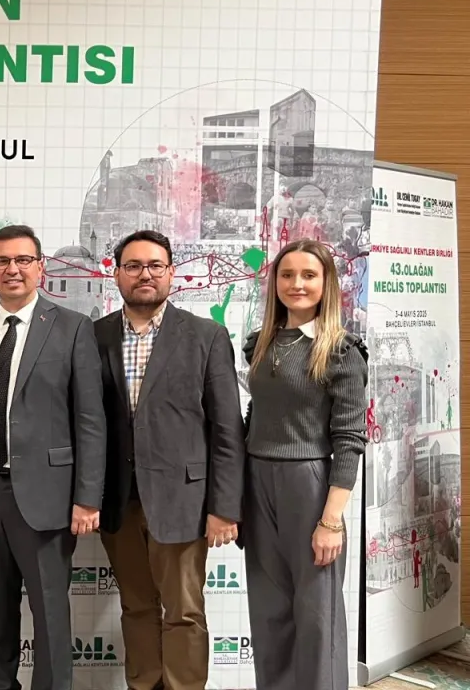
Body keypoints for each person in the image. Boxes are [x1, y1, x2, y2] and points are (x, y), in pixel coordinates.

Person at [0, 224, 105, 690]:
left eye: (22, 260)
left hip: (48, 496)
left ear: (40, 267)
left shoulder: (72, 327)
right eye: (1, 261)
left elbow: (90, 418)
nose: (12, 269)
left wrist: (87, 497)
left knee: (50, 615)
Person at [94, 230, 246, 690]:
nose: (145, 274)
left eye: (155, 266)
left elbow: (226, 429)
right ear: (117, 274)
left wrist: (224, 507)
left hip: (184, 501)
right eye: (133, 266)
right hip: (118, 500)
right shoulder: (95, 336)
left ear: (171, 273)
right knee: (136, 607)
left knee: (184, 612)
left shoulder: (205, 336)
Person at [240, 237, 367, 690]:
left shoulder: (341, 351)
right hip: (257, 482)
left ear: (326, 283)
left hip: (308, 485)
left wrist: (330, 521)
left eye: (309, 275)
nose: (297, 283)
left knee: (316, 617)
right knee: (269, 613)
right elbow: (258, 414)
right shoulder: (260, 344)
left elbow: (349, 439)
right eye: (287, 274)